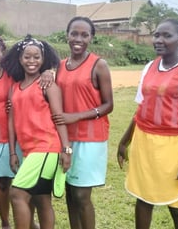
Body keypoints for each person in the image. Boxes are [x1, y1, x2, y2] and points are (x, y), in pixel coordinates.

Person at [117, 18, 178, 229]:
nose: (159, 40)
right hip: (144, 142)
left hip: (175, 147)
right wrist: (125, 141)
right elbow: (141, 108)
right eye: (157, 35)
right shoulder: (150, 66)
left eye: (166, 36)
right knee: (143, 199)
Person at [0, 34, 50, 229]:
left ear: (3, 54)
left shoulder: (14, 74)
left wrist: (49, 71)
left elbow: (35, 72)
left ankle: (30, 220)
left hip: (20, 138)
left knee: (28, 184)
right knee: (2, 184)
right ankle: (5, 223)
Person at [3, 35, 71, 229]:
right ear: (19, 58)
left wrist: (67, 150)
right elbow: (11, 122)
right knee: (41, 200)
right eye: (27, 57)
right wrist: (12, 152)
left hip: (46, 148)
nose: (32, 61)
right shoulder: (14, 88)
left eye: (36, 57)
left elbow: (59, 119)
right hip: (28, 151)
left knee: (16, 194)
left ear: (43, 59)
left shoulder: (48, 85)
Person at [53, 16, 113, 229]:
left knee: (81, 195)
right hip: (65, 138)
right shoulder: (59, 66)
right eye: (74, 34)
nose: (78, 39)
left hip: (90, 138)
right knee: (69, 191)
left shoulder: (99, 65)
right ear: (67, 35)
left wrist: (76, 116)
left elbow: (108, 105)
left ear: (91, 38)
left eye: (84, 35)